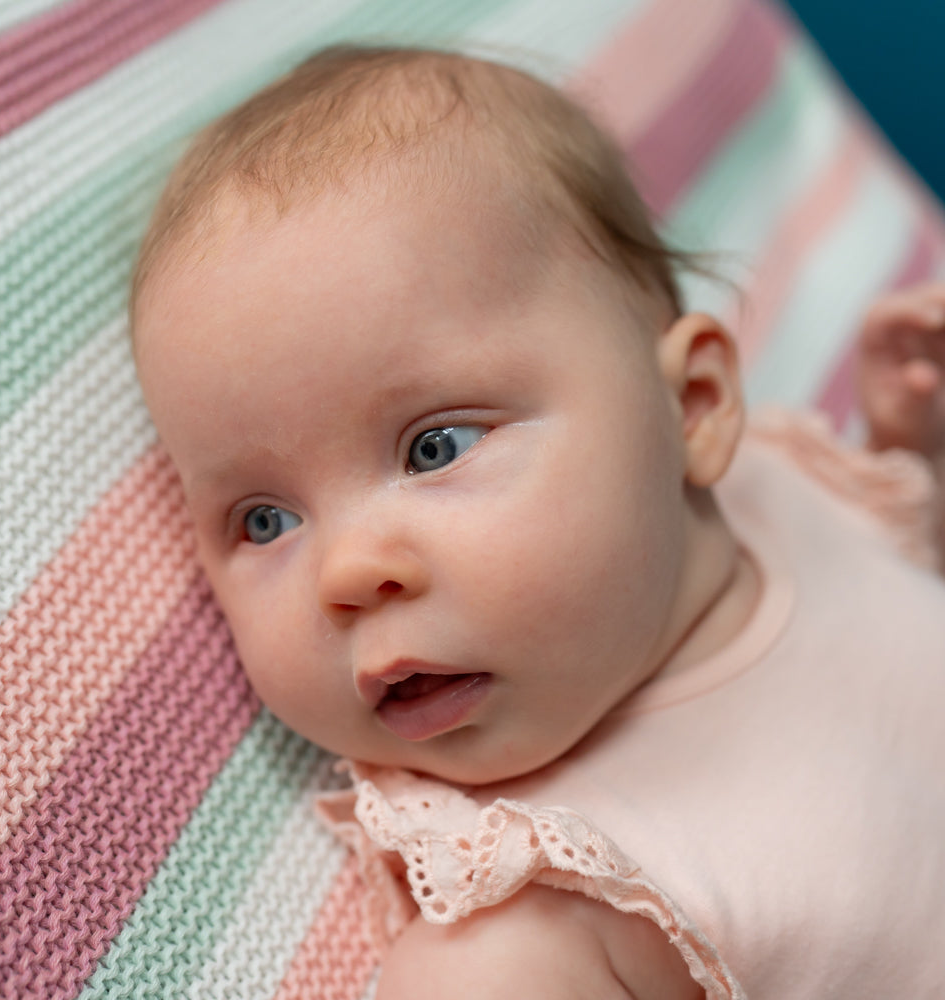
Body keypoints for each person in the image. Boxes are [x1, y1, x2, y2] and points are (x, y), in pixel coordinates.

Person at [128, 45, 945, 999]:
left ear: (690, 408)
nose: (346, 573)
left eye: (434, 447)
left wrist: (912, 446)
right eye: (265, 520)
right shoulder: (548, 920)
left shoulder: (787, 484)